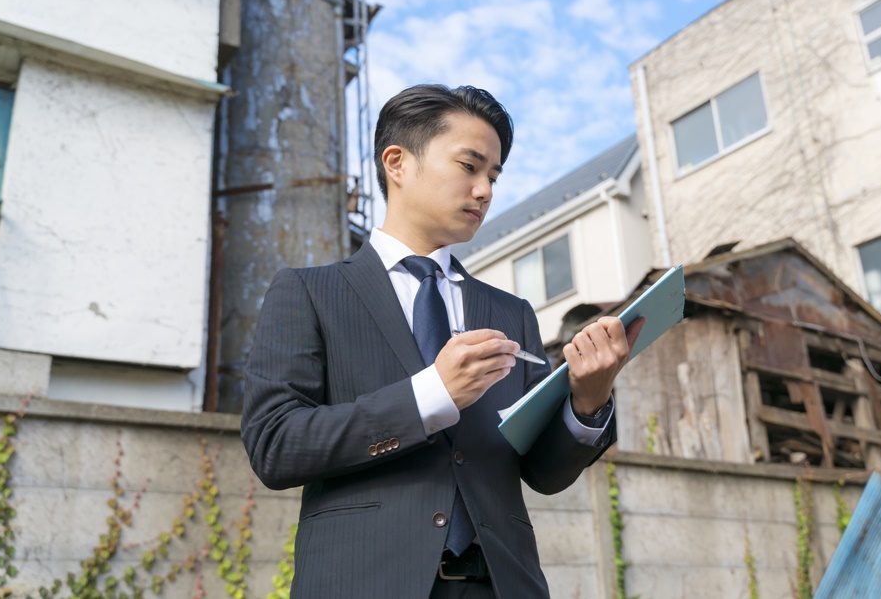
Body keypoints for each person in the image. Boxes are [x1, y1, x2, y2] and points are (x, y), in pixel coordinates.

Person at [241, 84, 642, 598]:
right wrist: (431, 394)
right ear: (398, 163)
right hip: (362, 582)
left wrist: (588, 399)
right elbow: (275, 446)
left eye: (493, 176)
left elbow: (543, 472)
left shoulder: (510, 313)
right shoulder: (310, 293)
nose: (485, 190)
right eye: (469, 166)